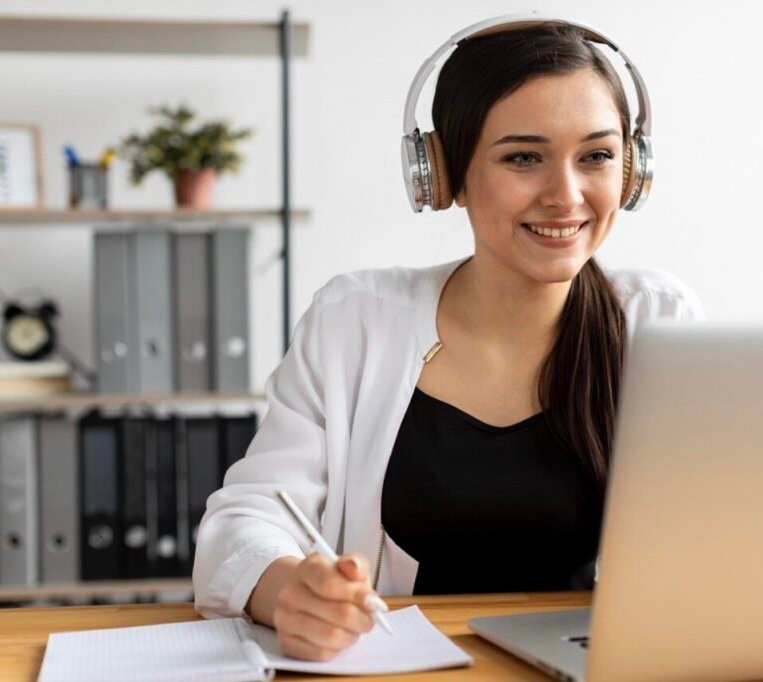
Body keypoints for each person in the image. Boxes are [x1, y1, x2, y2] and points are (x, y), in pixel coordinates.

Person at [193, 15, 703, 662]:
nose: (566, 195)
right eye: (524, 157)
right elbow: (245, 518)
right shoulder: (357, 318)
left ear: (632, 171)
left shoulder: (657, 320)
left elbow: (714, 537)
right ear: (444, 175)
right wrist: (286, 588)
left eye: (596, 156)